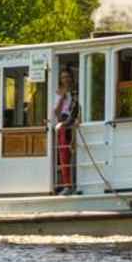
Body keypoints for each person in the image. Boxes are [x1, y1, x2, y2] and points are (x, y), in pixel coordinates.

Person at [54, 67, 79, 195]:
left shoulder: (76, 92)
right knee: (64, 155)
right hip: (63, 124)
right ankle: (67, 185)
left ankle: (75, 184)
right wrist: (61, 99)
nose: (66, 79)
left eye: (68, 77)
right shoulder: (58, 93)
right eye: (63, 77)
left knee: (75, 154)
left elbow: (77, 108)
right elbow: (56, 113)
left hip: (73, 123)